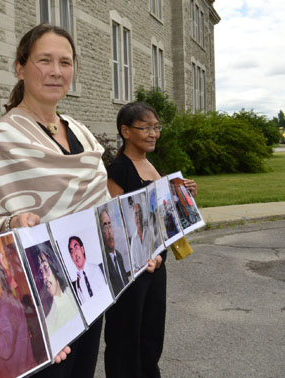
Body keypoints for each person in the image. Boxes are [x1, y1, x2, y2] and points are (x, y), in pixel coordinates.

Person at [0, 23, 109, 378]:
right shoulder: (2, 139)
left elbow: (101, 205)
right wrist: (11, 223)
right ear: (21, 67)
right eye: (44, 60)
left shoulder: (82, 132)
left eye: (65, 62)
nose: (56, 71)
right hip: (39, 299)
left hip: (89, 286)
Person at [104, 102, 197, 378]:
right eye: (145, 128)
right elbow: (115, 225)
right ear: (126, 131)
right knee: (125, 340)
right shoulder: (119, 170)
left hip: (157, 266)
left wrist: (185, 196)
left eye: (156, 127)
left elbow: (162, 218)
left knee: (151, 337)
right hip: (131, 272)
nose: (153, 133)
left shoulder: (150, 164)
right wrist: (145, 258)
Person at [33, 246, 76, 332]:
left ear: (54, 267)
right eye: (41, 272)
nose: (44, 277)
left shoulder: (73, 293)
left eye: (45, 268)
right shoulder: (47, 315)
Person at [99, 208, 129, 296]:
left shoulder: (119, 256)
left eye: (110, 225)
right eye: (105, 226)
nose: (109, 231)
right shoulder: (103, 262)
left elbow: (126, 281)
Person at [67, 236, 106, 304]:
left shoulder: (96, 269)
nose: (75, 254)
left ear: (82, 249)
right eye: (72, 251)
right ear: (71, 258)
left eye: (76, 248)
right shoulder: (77, 284)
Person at [129, 202, 152, 273]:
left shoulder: (149, 232)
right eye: (136, 214)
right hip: (141, 274)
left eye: (139, 213)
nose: (138, 217)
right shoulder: (133, 239)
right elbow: (133, 263)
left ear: (142, 214)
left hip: (152, 269)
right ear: (133, 217)